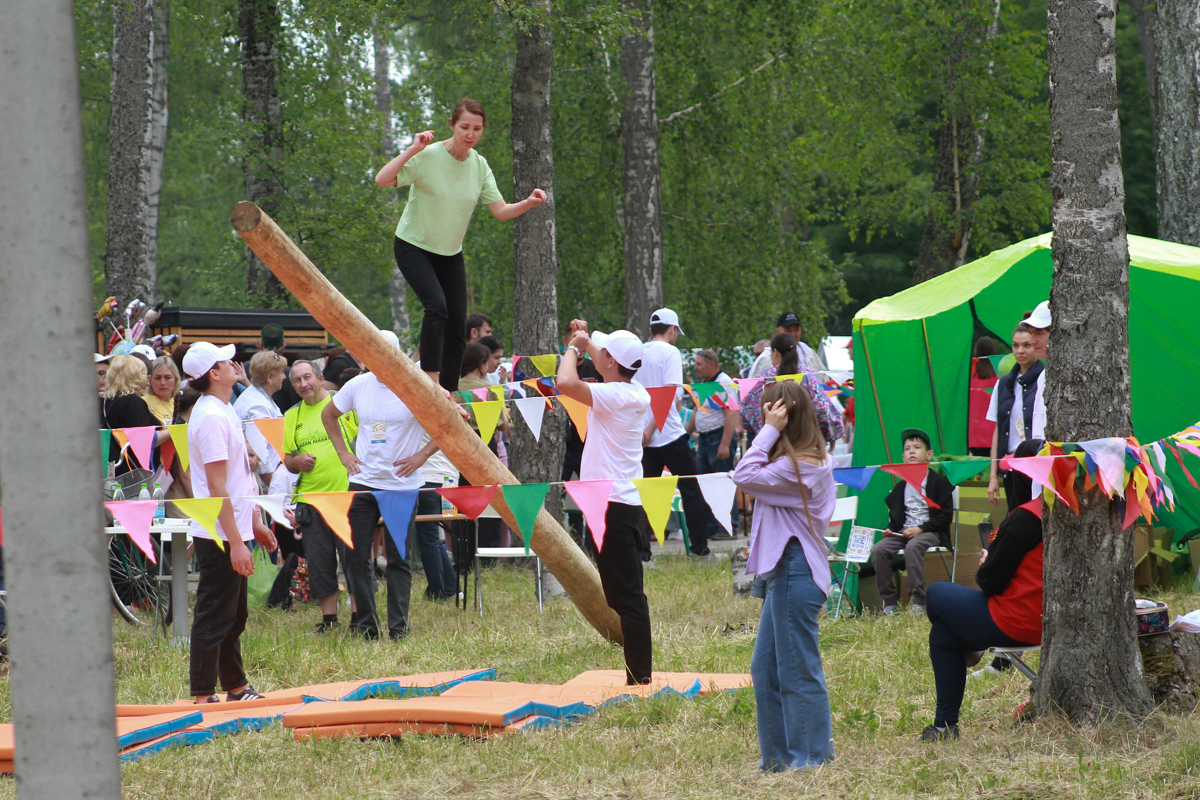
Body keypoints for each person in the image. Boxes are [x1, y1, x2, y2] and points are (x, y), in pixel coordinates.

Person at [375, 98, 546, 392]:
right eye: (464, 126)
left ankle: (449, 390)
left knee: (458, 325)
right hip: (413, 245)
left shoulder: (479, 166)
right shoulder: (428, 155)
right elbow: (382, 179)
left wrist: (528, 203)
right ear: (452, 125)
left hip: (450, 254)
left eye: (477, 128)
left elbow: (501, 211)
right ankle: (430, 376)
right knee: (437, 308)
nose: (470, 133)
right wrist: (413, 149)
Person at [732, 380, 836, 771]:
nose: (762, 419)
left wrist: (769, 430)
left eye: (768, 413)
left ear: (785, 418)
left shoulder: (800, 467)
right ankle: (776, 760)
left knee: (796, 669)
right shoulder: (796, 462)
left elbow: (743, 474)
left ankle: (811, 760)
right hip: (785, 570)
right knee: (767, 669)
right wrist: (772, 432)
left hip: (795, 569)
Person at [921, 439, 1044, 742]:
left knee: (935, 593)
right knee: (944, 636)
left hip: (1018, 620)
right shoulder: (1072, 510)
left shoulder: (1024, 517)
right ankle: (943, 727)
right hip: (1052, 621)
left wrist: (988, 561)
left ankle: (969, 650)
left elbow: (989, 581)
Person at [321, 330, 438, 640]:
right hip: (361, 482)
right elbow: (328, 414)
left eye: (382, 351)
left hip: (400, 486)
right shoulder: (358, 384)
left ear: (397, 354)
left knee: (399, 558)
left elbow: (449, 423)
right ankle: (366, 627)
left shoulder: (416, 385)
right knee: (355, 556)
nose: (374, 358)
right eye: (370, 351)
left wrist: (421, 456)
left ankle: (399, 629)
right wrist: (343, 453)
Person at [557, 322, 653, 684]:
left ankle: (639, 679)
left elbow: (565, 383)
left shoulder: (617, 395)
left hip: (614, 505)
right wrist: (586, 337)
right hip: (614, 503)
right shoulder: (634, 388)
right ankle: (638, 674)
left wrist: (572, 349)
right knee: (621, 595)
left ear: (612, 362)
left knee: (627, 598)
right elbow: (608, 359)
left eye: (604, 353)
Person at [181, 342, 278, 703]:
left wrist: (254, 522)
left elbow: (239, 480)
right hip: (221, 533)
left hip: (232, 527)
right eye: (225, 360)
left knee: (233, 614)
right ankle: (204, 693)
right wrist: (236, 541)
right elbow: (216, 486)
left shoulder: (221, 410)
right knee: (214, 615)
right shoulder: (209, 417)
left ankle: (235, 686)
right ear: (213, 374)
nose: (234, 363)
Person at [283, 360, 359, 633]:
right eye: (297, 381)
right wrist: (297, 461)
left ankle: (359, 618)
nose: (303, 385)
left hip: (347, 495)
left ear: (320, 377)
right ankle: (329, 621)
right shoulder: (292, 415)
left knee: (354, 559)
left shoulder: (345, 404)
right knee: (319, 562)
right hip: (310, 499)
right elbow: (287, 459)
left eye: (307, 378)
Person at [634, 308, 715, 562]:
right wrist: (650, 428)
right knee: (690, 491)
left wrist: (642, 429)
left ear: (650, 330)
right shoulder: (671, 352)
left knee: (645, 496)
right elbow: (670, 393)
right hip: (667, 433)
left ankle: (642, 556)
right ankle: (700, 552)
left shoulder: (638, 352)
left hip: (645, 438)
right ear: (672, 330)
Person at [868, 428, 954, 616]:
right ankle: (890, 602)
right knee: (878, 549)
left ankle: (918, 601)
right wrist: (890, 530)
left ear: (929, 455)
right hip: (904, 533)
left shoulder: (939, 483)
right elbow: (895, 520)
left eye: (917, 447)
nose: (912, 451)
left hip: (930, 533)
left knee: (913, 547)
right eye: (907, 449)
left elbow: (946, 517)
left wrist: (921, 528)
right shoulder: (901, 487)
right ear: (903, 457)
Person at [741, 334, 844, 448]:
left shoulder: (762, 379)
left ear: (775, 352)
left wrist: (761, 430)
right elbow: (822, 409)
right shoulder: (808, 377)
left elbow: (746, 412)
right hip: (806, 447)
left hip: (771, 448)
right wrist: (829, 435)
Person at [986, 324, 1044, 509]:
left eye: (1026, 345)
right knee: (1015, 516)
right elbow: (998, 430)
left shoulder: (1046, 379)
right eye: (1015, 345)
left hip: (1037, 463)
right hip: (1009, 466)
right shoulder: (1002, 384)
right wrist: (993, 476)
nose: (1020, 351)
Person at [686, 349, 739, 539]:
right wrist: (684, 434)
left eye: (699, 364)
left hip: (718, 439)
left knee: (722, 484)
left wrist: (724, 444)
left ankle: (726, 528)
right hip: (705, 439)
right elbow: (696, 411)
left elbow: (732, 413)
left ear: (711, 364)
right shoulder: (704, 384)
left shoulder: (723, 383)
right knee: (706, 484)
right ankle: (711, 527)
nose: (695, 368)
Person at [102, 355, 170, 475]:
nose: (148, 383)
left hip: (112, 470)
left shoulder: (104, 400)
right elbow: (144, 441)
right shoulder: (133, 402)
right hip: (132, 474)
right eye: (143, 376)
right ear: (134, 377)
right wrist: (173, 431)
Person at [234, 350, 287, 488]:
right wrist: (277, 491)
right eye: (281, 372)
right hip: (261, 488)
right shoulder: (256, 406)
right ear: (270, 377)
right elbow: (260, 456)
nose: (285, 377)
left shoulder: (259, 397)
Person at [751, 312, 826, 377]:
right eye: (788, 330)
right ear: (778, 331)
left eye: (796, 330)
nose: (793, 335)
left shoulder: (809, 354)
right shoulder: (765, 358)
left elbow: (824, 381)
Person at [968, 337, 999, 457]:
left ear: (977, 351)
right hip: (993, 432)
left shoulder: (970, 376)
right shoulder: (999, 374)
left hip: (974, 432)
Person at [261, 323, 301, 412]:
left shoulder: (243, 370)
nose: (284, 376)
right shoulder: (292, 374)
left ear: (260, 346)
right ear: (283, 348)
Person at [143, 355, 181, 426]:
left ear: (176, 379)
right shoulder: (144, 403)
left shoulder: (179, 403)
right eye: (158, 378)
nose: (163, 383)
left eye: (168, 377)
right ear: (150, 380)